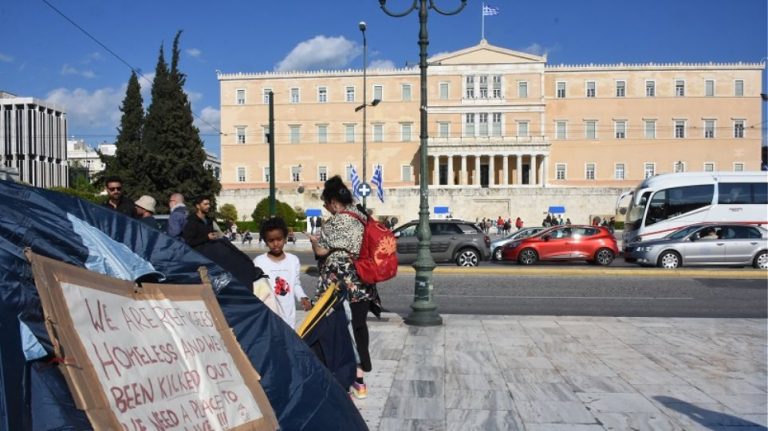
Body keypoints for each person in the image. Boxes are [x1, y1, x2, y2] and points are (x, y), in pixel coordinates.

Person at [309, 175, 374, 400]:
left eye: (326, 204)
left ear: (334, 202)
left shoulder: (336, 223)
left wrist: (313, 241)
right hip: (361, 282)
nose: (326, 208)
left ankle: (346, 380)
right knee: (357, 328)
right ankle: (360, 380)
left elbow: (321, 252)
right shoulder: (363, 217)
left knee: (338, 331)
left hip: (338, 283)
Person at [253, 217, 311, 329]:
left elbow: (295, 283)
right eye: (271, 240)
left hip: (289, 315)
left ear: (285, 238)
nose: (275, 244)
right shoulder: (259, 262)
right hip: (268, 315)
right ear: (265, 242)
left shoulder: (293, 260)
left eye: (279, 239)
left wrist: (303, 297)